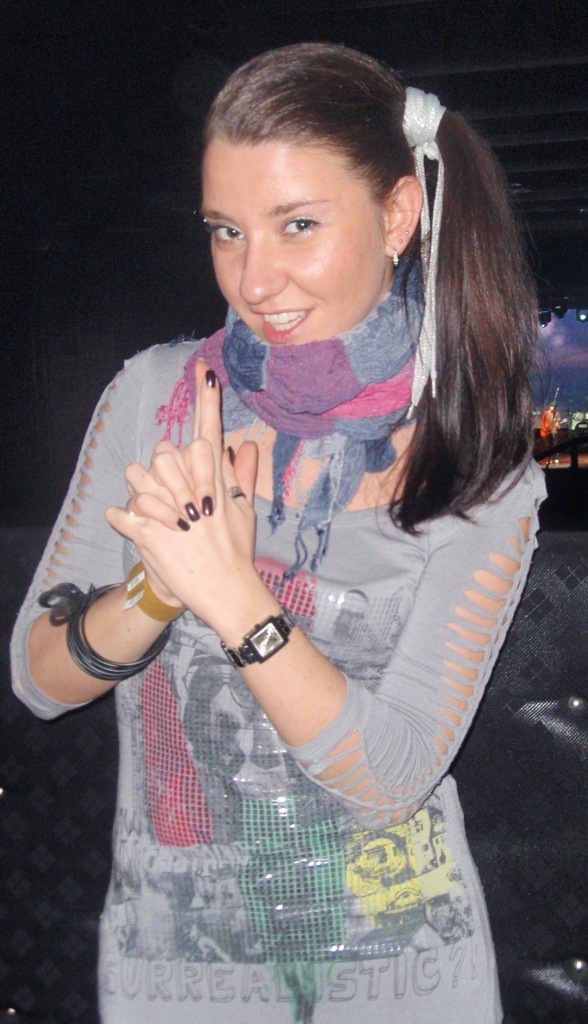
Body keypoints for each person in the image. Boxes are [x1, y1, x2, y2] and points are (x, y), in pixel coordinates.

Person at [11, 42, 546, 1024]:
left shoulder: (478, 465)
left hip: (399, 978)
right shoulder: (154, 399)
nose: (254, 279)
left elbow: (391, 780)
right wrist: (159, 587)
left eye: (298, 225)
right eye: (227, 231)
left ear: (397, 215)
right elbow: (39, 681)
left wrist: (233, 594)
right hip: (178, 969)